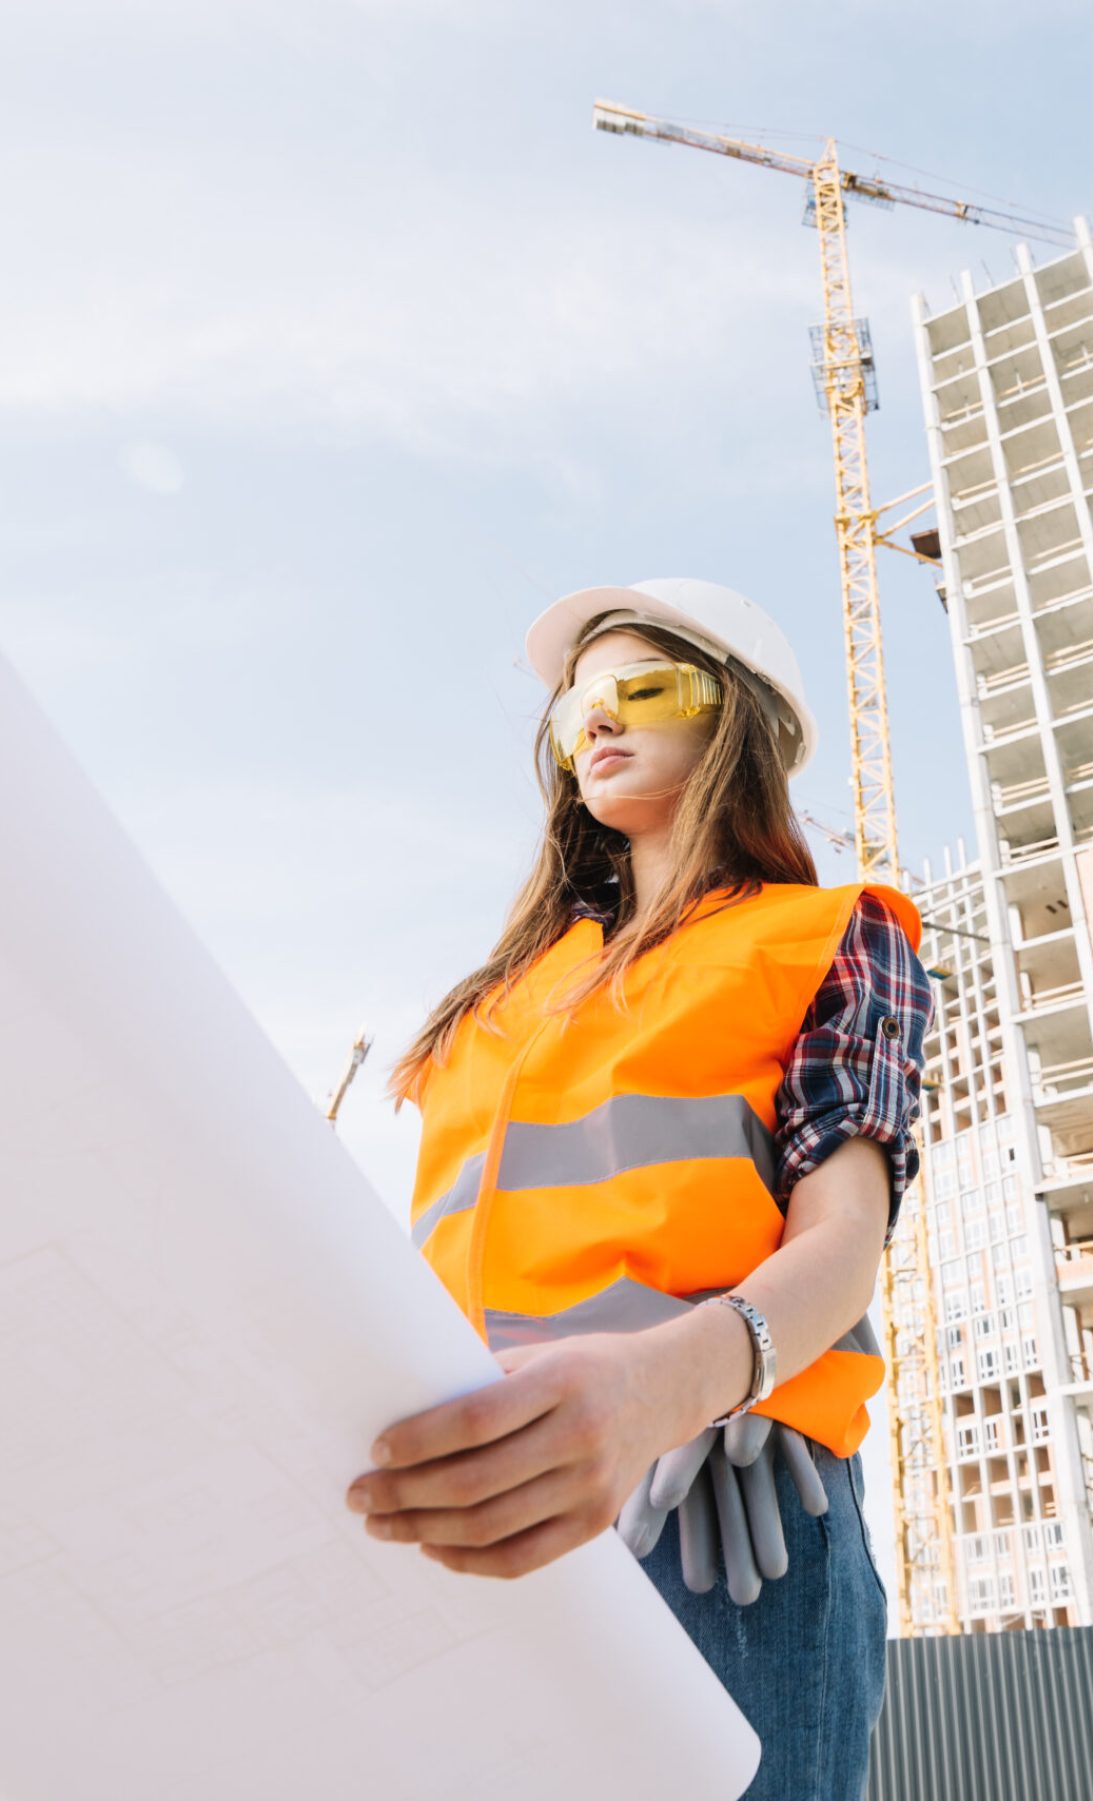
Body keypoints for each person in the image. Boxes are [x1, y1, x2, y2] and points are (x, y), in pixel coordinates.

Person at [346, 578, 932, 1800]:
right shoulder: (497, 997)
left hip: (718, 1509)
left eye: (642, 689)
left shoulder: (826, 933)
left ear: (740, 722)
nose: (597, 725)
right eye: (574, 712)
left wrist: (673, 1387)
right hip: (472, 1494)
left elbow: (846, 1238)